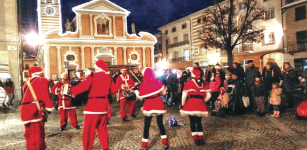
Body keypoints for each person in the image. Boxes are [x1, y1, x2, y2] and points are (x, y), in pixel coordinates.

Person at [71, 60, 117, 150]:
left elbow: (83, 86)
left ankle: (87, 147)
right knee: (102, 128)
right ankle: (105, 146)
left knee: (88, 129)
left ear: (96, 67)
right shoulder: (108, 78)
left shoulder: (92, 76)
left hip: (93, 105)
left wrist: (73, 91)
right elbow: (114, 90)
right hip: (104, 106)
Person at [20, 66, 54, 150]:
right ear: (41, 73)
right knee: (38, 134)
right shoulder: (42, 80)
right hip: (35, 109)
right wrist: (49, 107)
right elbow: (45, 94)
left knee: (29, 135)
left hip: (25, 110)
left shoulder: (26, 82)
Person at [135, 67, 169, 150]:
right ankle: (165, 143)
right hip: (158, 102)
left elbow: (140, 97)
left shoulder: (143, 85)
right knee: (160, 124)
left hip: (149, 104)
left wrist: (136, 91)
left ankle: (144, 145)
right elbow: (163, 93)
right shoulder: (158, 82)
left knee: (147, 125)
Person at [180, 68, 211, 146]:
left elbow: (184, 95)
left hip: (191, 103)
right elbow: (209, 95)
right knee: (199, 121)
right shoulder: (205, 83)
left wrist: (182, 104)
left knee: (192, 122)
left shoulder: (189, 83)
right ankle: (201, 138)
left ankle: (196, 139)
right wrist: (203, 101)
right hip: (200, 103)